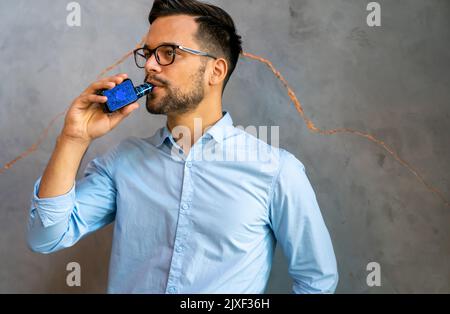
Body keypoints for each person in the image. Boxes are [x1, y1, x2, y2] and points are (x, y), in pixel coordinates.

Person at [27, 0, 338, 293]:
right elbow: (45, 236)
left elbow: (316, 280)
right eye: (147, 53)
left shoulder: (276, 170)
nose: (150, 65)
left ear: (215, 71)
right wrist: (73, 139)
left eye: (168, 53)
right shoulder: (123, 162)